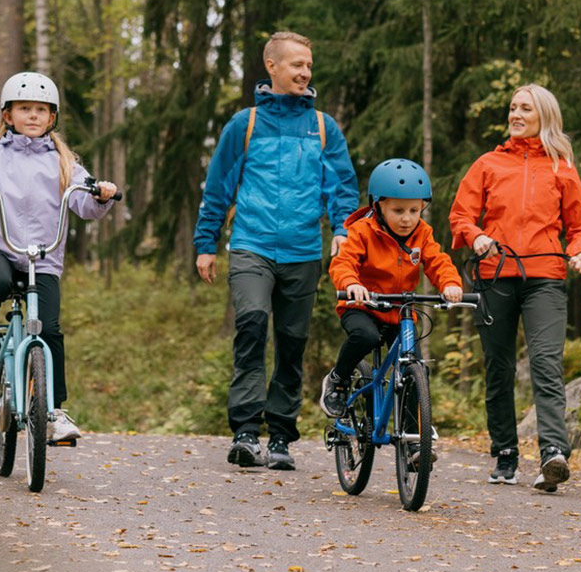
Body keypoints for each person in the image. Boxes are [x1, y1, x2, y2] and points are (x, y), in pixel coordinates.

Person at [193, 31, 360, 470]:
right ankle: (246, 432)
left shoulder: (323, 126)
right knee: (251, 326)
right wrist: (205, 244)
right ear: (272, 67)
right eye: (296, 65)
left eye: (308, 65)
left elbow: (342, 188)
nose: (305, 72)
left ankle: (281, 436)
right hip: (252, 245)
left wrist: (343, 228)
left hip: (304, 251)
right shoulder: (245, 124)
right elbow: (217, 188)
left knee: (292, 343)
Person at [0, 72, 117, 443]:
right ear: (8, 115)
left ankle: (53, 412)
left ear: (52, 117)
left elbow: (85, 203)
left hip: (44, 258)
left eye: (41, 110)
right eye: (24, 109)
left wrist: (101, 194)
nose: (33, 116)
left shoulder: (64, 162)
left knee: (50, 330)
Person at [448, 83, 581, 492]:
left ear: (543, 116)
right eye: (512, 108)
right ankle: (505, 453)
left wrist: (580, 251)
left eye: (525, 109)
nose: (515, 114)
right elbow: (460, 214)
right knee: (498, 368)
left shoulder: (561, 167)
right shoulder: (488, 164)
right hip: (494, 274)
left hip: (546, 276)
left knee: (546, 363)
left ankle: (553, 453)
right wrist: (475, 235)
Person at [320, 159, 463, 422]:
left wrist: (450, 284)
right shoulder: (363, 230)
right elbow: (343, 262)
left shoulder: (422, 233)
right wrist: (352, 284)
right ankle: (338, 380)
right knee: (365, 336)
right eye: (398, 210)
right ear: (379, 205)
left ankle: (413, 439)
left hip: (401, 311)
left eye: (414, 210)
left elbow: (437, 261)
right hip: (362, 306)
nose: (407, 218)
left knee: (415, 366)